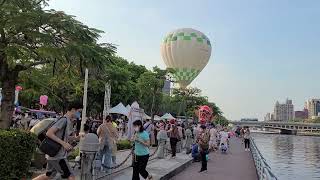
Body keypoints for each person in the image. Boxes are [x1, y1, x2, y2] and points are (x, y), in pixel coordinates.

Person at [33, 102, 83, 180]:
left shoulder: (67, 121)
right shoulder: (64, 120)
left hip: (54, 155)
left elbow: (64, 137)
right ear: (73, 110)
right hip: (58, 156)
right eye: (79, 112)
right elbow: (49, 133)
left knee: (48, 176)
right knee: (71, 177)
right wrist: (63, 143)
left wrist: (75, 138)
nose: (79, 114)